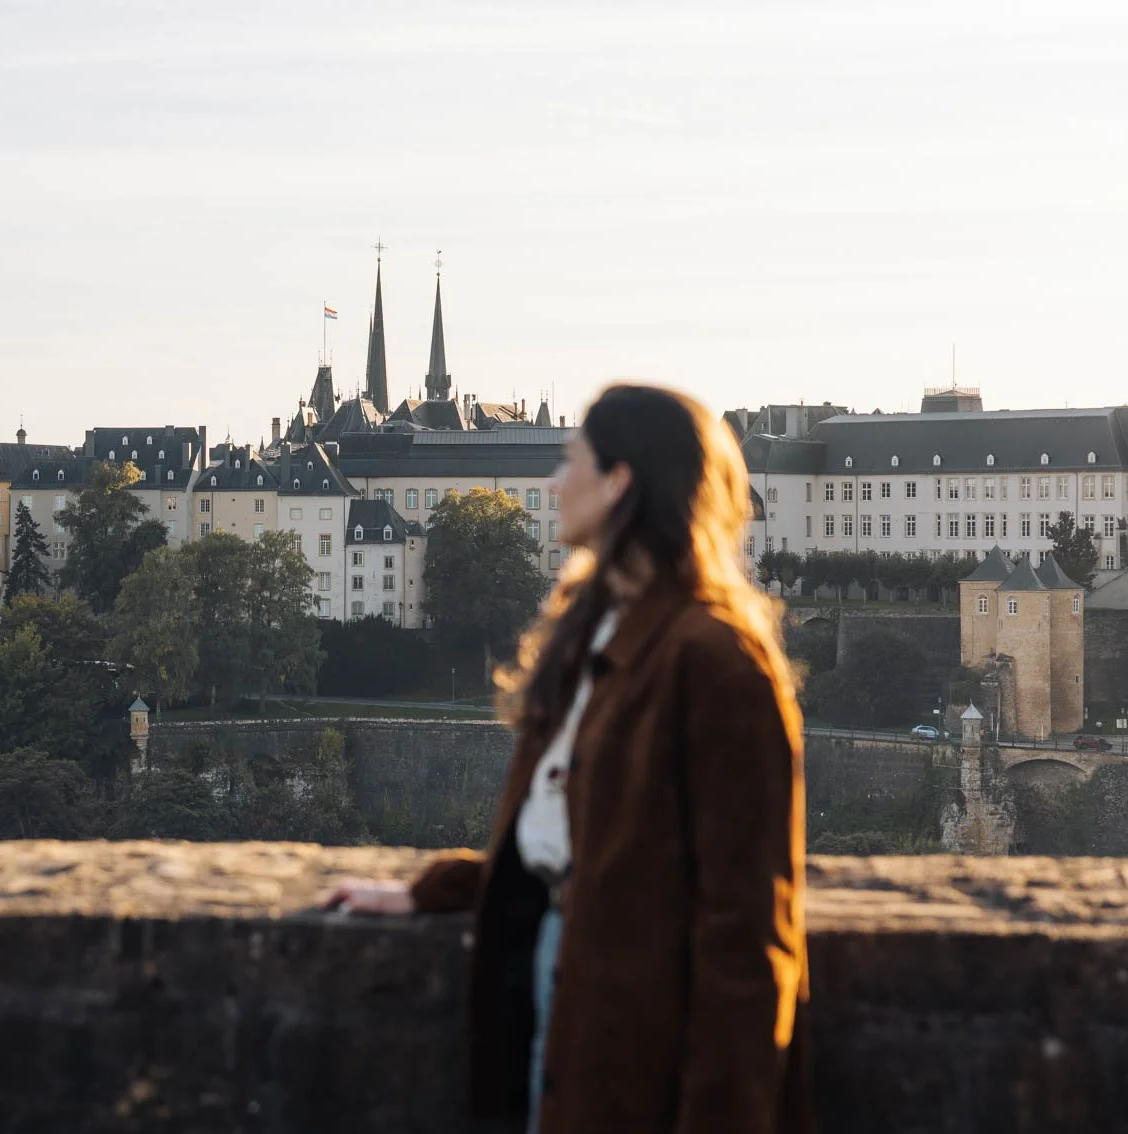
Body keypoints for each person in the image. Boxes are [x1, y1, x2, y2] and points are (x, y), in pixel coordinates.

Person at [325, 384, 811, 1134]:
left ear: (619, 484)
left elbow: (748, 933)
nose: (553, 485)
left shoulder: (718, 661)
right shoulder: (594, 631)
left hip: (636, 1017)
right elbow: (595, 843)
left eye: (571, 462)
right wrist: (441, 892)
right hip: (564, 979)